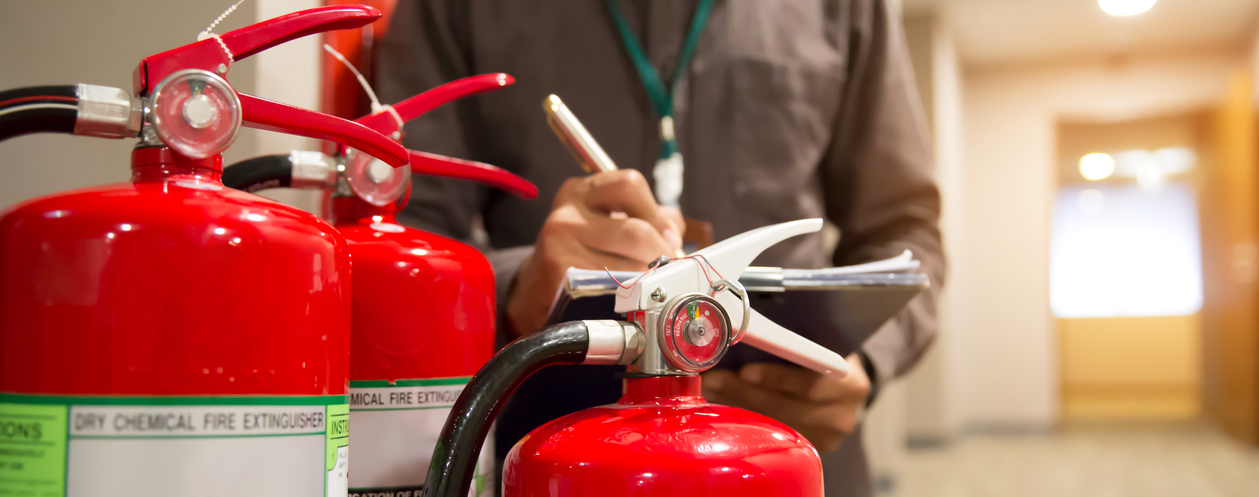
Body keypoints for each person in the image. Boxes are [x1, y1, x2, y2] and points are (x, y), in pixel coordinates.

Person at [377, 1, 943, 495]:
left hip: (794, 462)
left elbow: (907, 228)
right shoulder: (454, 7)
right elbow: (398, 232)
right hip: (558, 466)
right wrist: (514, 288)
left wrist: (863, 367)